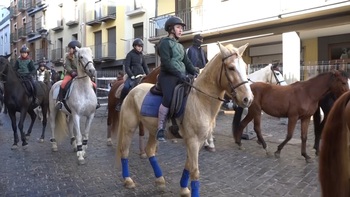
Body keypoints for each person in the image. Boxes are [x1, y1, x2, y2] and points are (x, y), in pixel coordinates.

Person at [155, 16, 199, 142]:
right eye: (178, 27)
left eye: (181, 28)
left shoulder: (180, 46)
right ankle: (161, 127)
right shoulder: (164, 43)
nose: (181, 30)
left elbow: (187, 62)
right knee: (168, 97)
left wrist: (195, 71)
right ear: (171, 29)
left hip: (181, 75)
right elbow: (167, 63)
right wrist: (179, 74)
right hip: (167, 75)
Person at [55, 40, 100, 110]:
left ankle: (95, 101)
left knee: (94, 85)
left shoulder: (81, 55)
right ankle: (60, 101)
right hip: (71, 74)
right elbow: (67, 65)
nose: (69, 50)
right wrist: (72, 72)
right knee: (63, 84)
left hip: (81, 74)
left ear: (74, 48)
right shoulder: (68, 56)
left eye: (70, 48)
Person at [115, 38, 150, 111]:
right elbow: (127, 67)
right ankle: (120, 103)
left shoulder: (141, 56)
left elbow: (145, 66)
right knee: (126, 87)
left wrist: (148, 75)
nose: (140, 47)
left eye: (141, 46)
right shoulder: (130, 54)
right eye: (138, 46)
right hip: (132, 76)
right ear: (134, 46)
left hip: (141, 75)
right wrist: (131, 75)